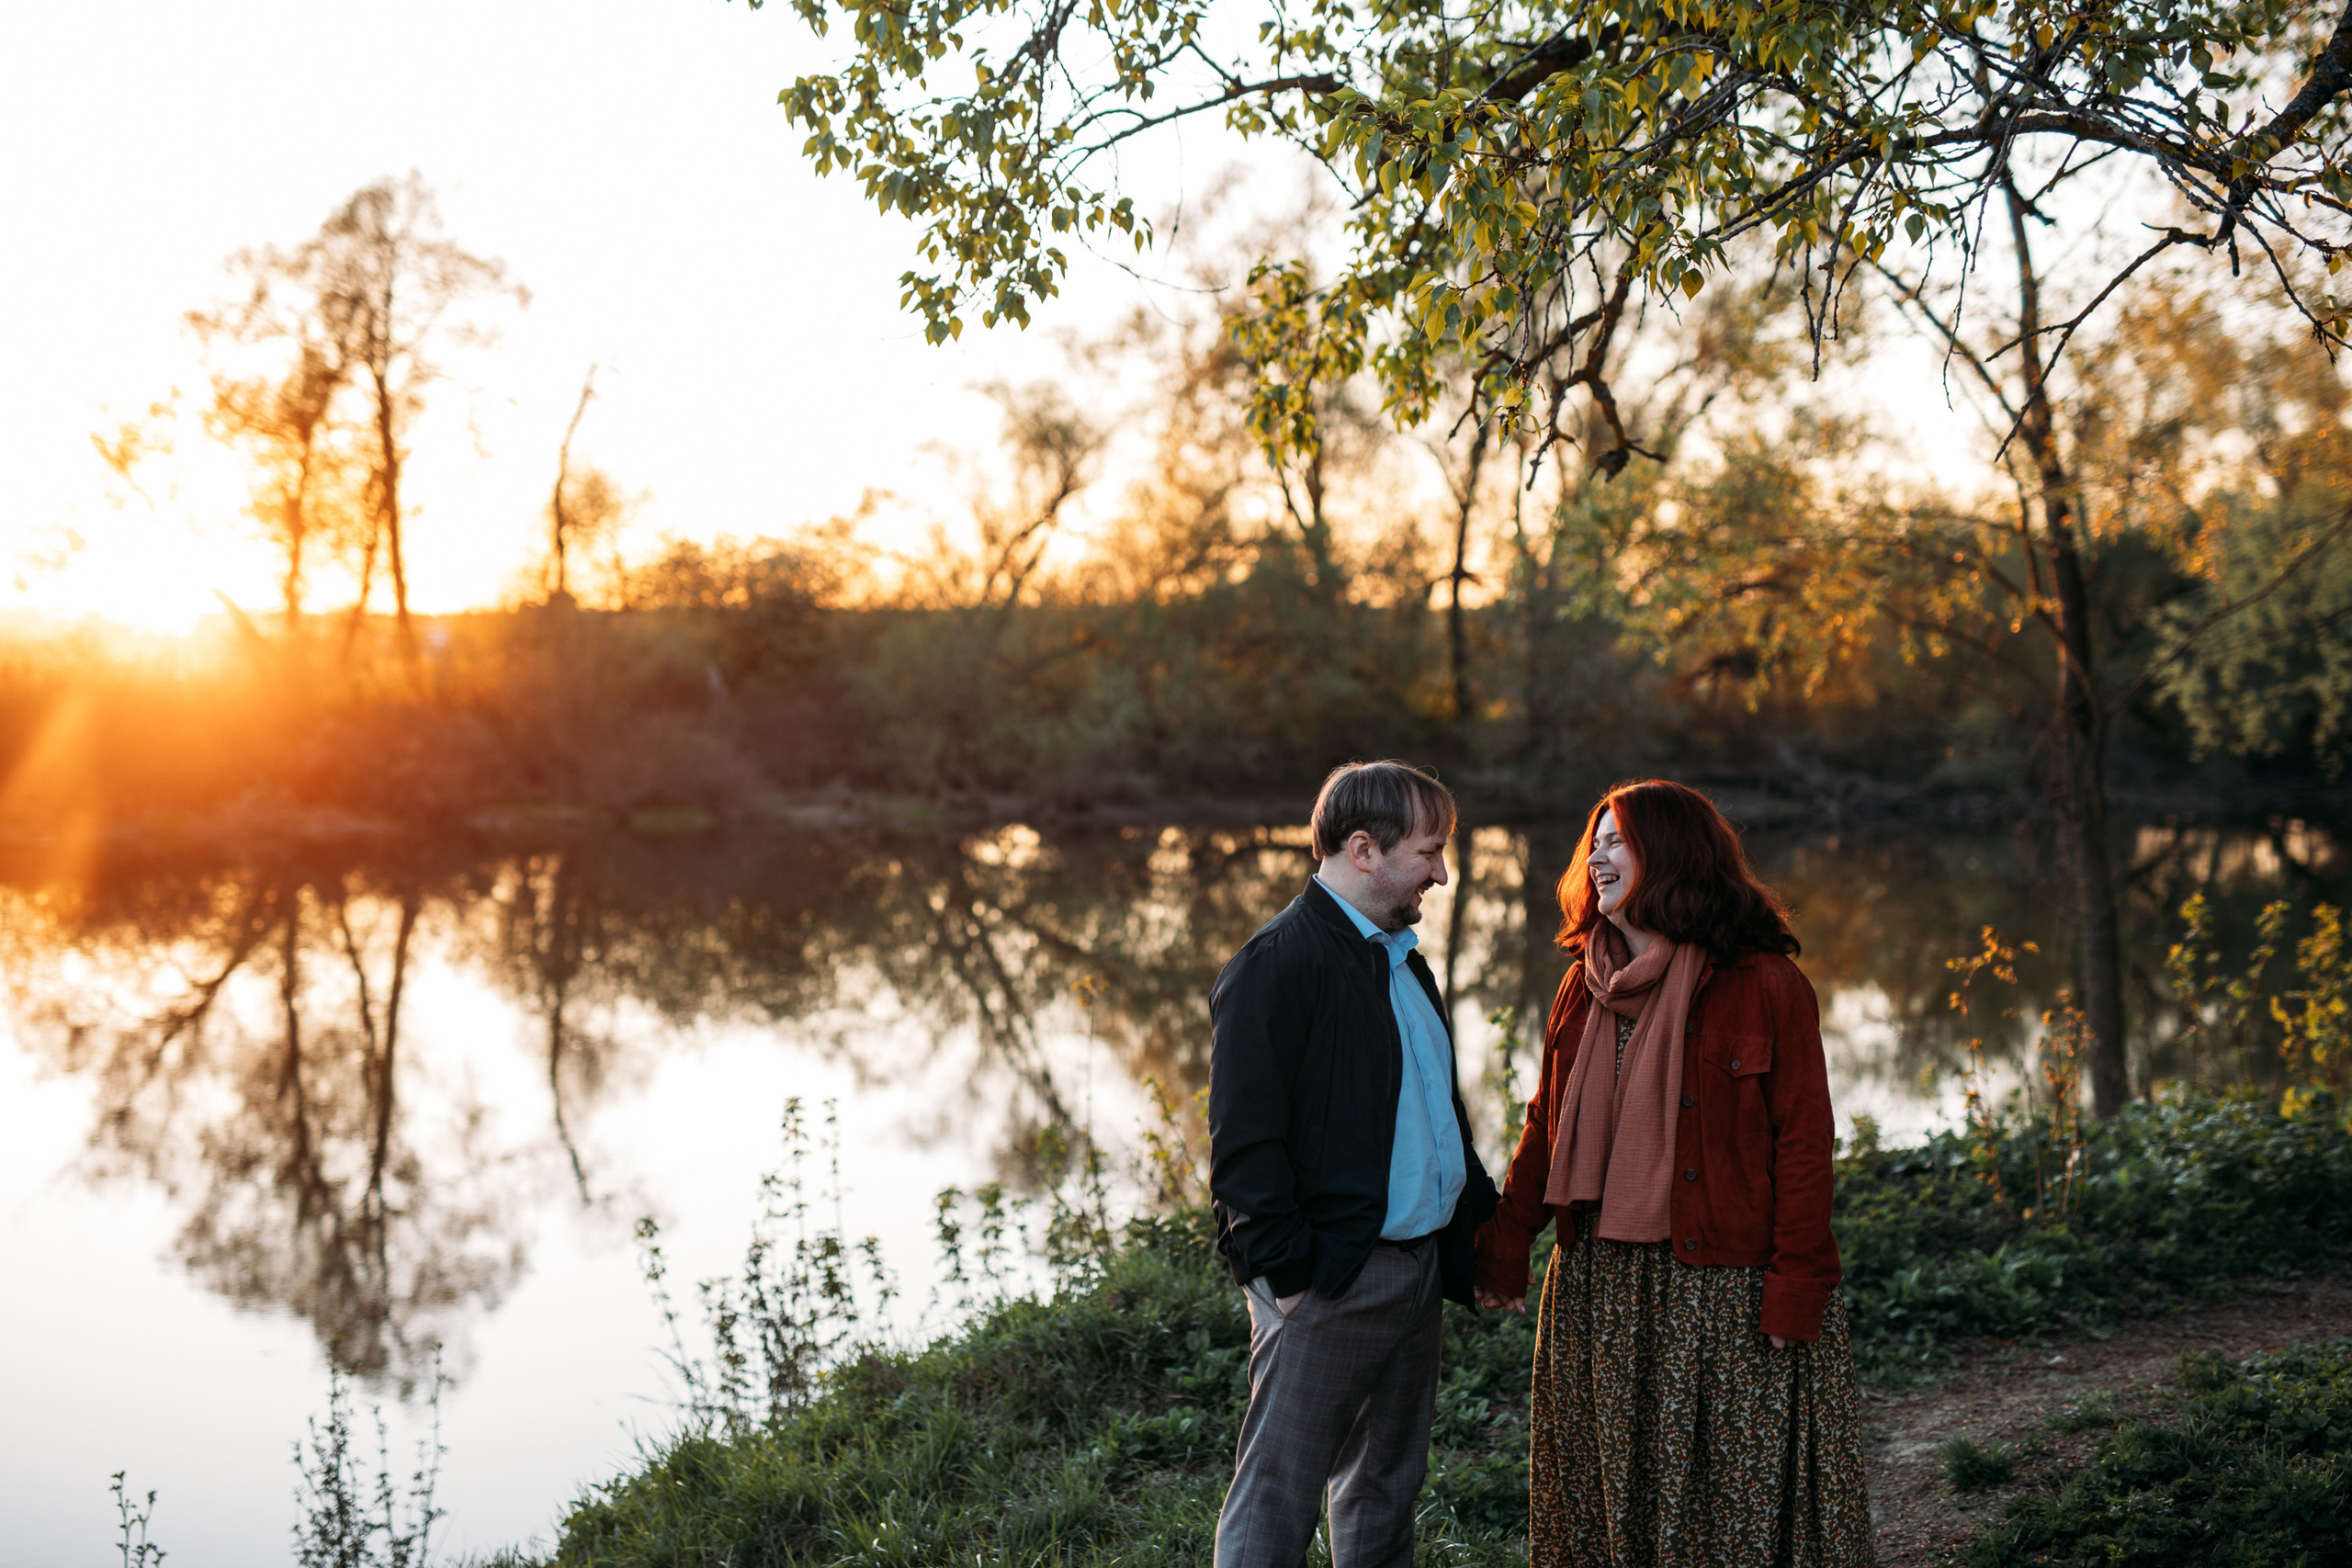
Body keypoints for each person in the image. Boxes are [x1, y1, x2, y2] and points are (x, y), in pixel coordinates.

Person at [1474, 779, 1874, 1567]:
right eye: (1595, 840)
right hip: (1598, 1288)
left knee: (1727, 1508)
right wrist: (1506, 1240)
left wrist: (1798, 1284)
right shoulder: (1580, 986)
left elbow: (1802, 1146)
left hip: (1720, 1291)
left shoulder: (1765, 985)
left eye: (1618, 839)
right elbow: (1546, 1126)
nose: (1598, 855)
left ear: (1674, 854)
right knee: (1610, 1504)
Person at [1209, 760, 1501, 1568]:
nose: (1442, 873)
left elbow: (1439, 1117)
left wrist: (1473, 1233)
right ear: (1364, 849)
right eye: (1430, 851)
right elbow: (1243, 1148)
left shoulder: (1403, 958)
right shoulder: (1276, 964)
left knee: (1384, 1487)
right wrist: (1291, 1277)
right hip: (1330, 1281)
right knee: (1277, 1499)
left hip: (1415, 1273)